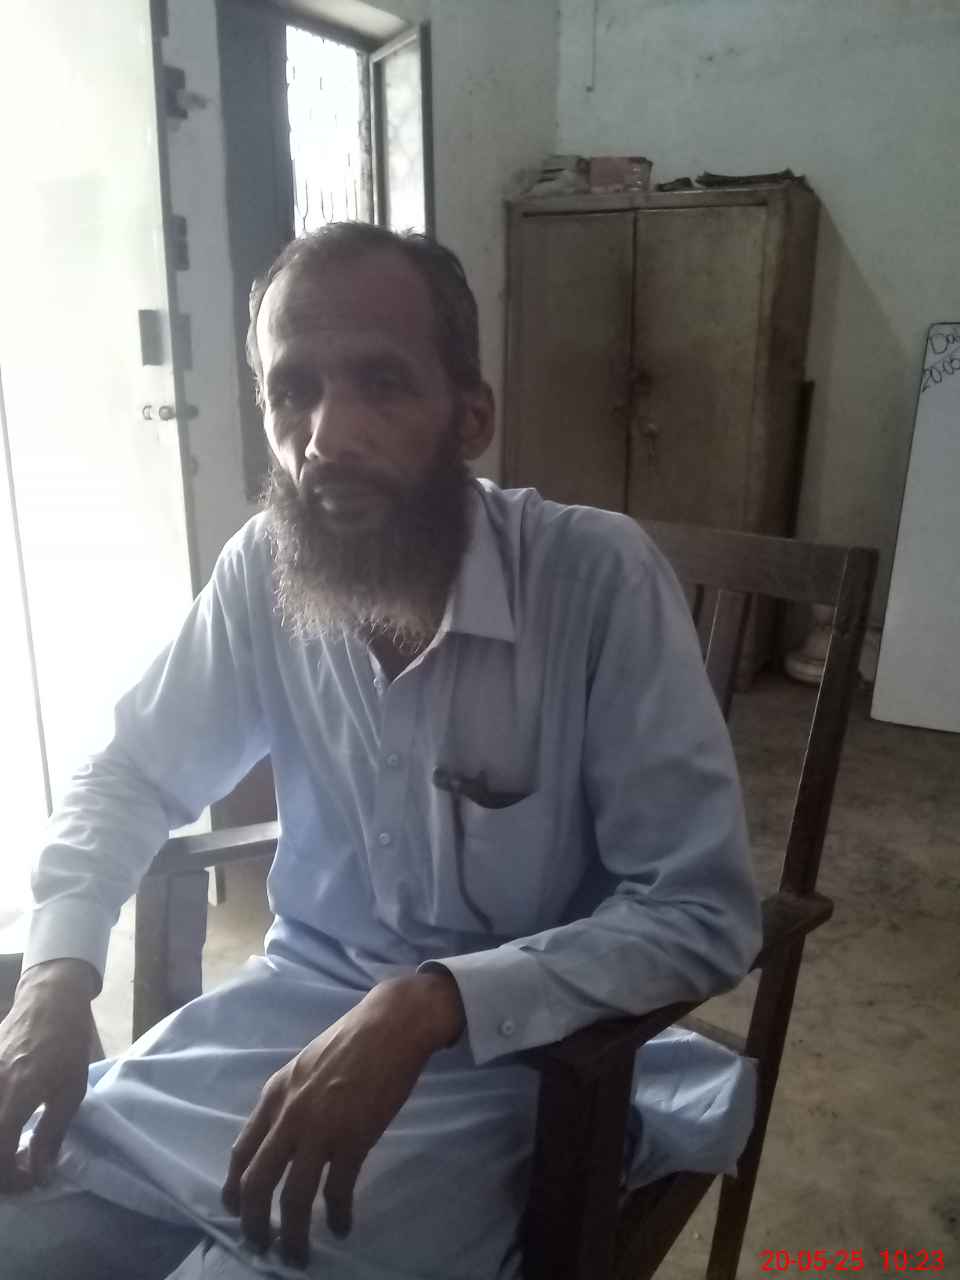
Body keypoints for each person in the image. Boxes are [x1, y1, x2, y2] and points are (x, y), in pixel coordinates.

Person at [0, 223, 762, 1279]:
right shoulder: (264, 569)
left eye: (382, 383)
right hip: (282, 1021)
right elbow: (130, 771)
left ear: (472, 416)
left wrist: (432, 1001)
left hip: (511, 1065)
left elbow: (700, 910)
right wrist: (55, 975)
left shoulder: (595, 581)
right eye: (294, 390)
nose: (327, 436)